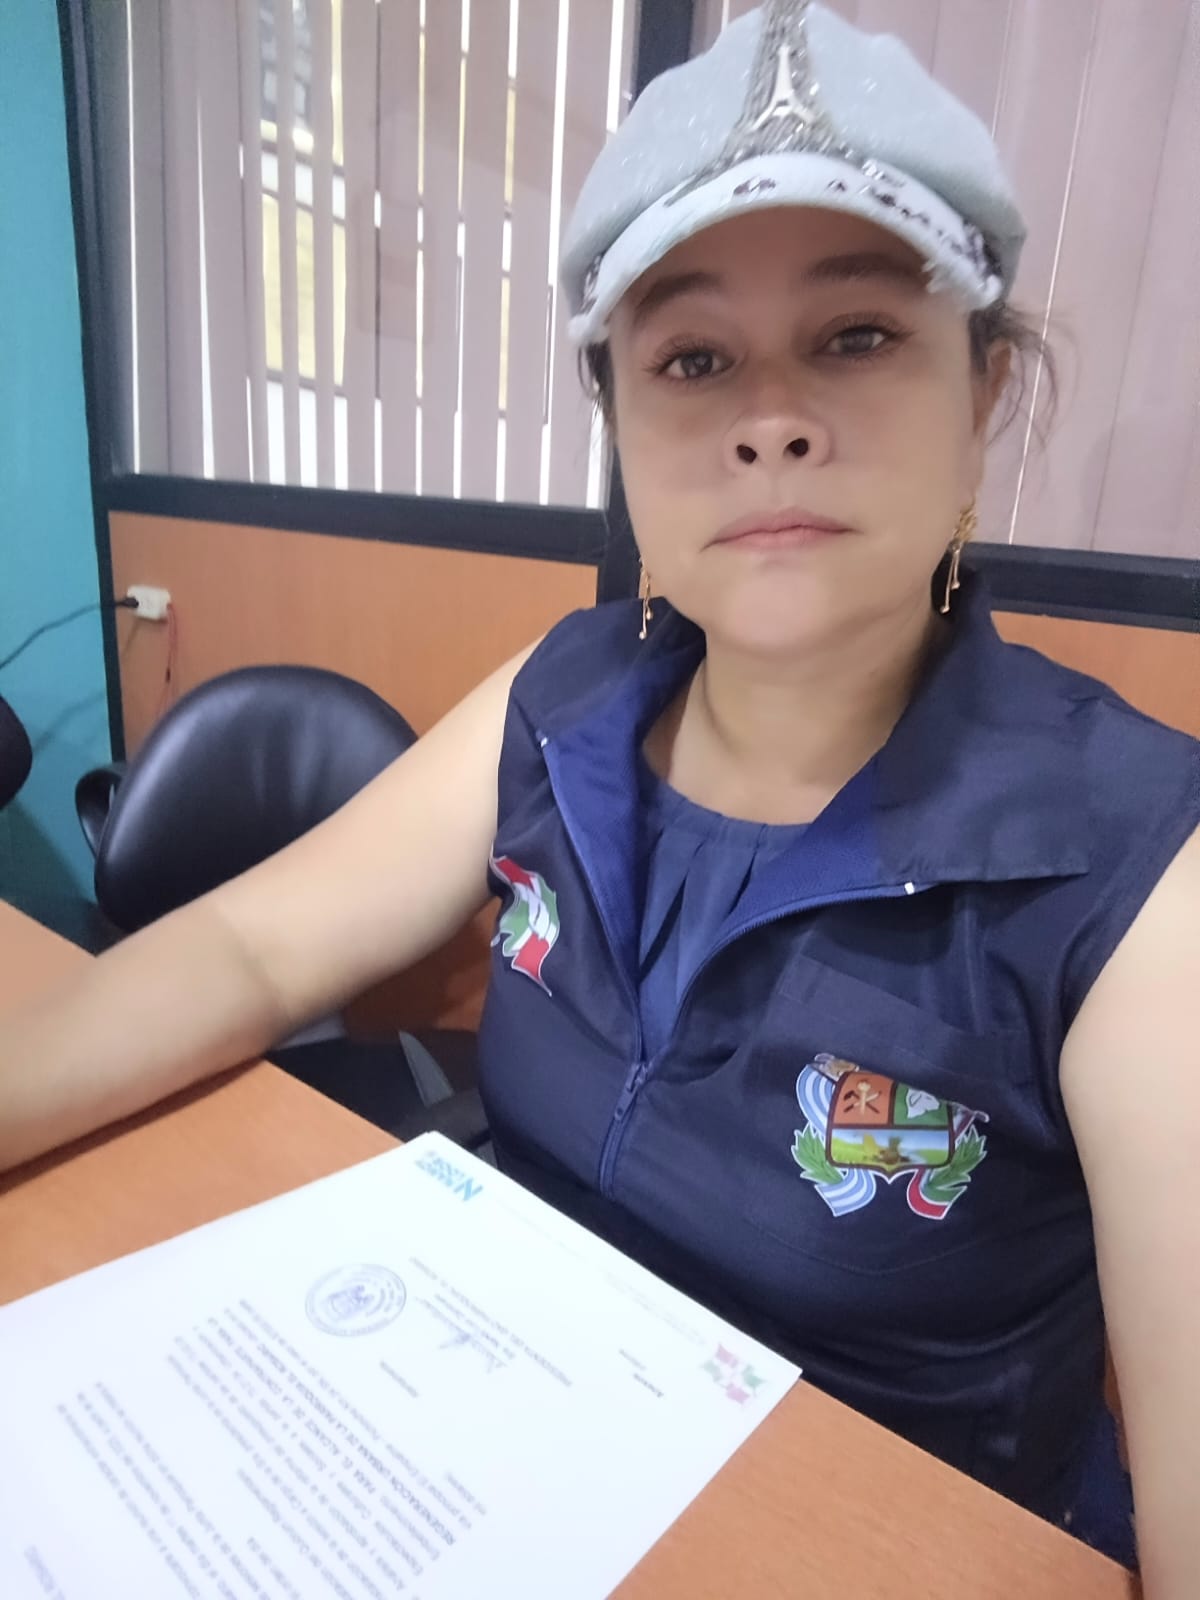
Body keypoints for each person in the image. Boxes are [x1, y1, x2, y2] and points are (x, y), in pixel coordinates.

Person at [2, 1, 1197, 1589]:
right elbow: (253, 948)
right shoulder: (564, 697)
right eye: (692, 358)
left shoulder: (1136, 866)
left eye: (856, 335)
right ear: (619, 424)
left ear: (981, 396)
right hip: (495, 1457)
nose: (772, 420)